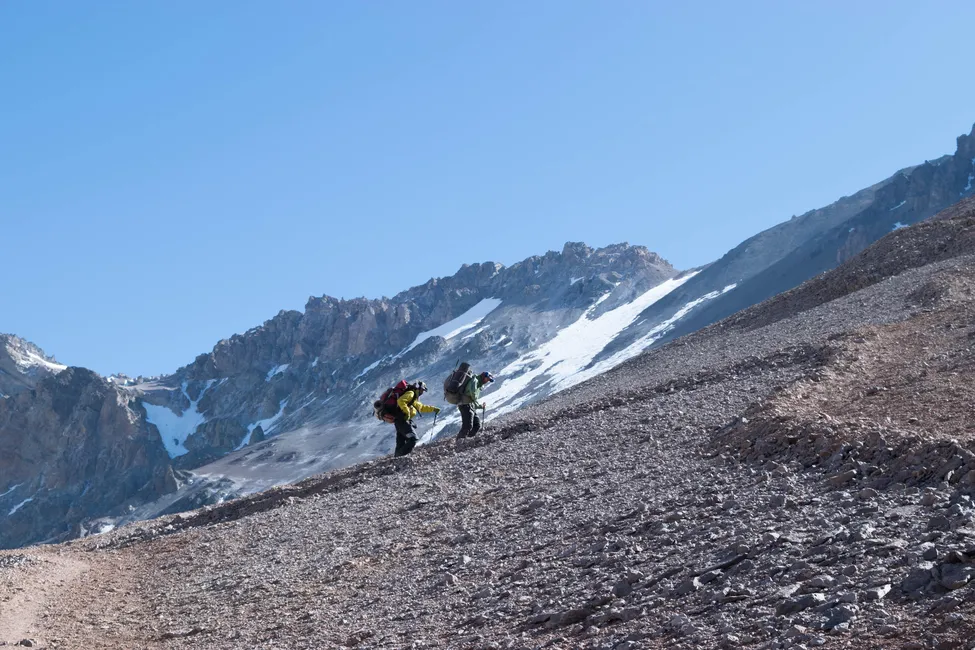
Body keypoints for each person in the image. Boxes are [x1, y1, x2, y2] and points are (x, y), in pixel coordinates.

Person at [392, 380, 440, 457]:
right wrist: (407, 412)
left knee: (400, 442)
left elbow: (422, 407)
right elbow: (401, 401)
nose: (422, 392)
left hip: (400, 420)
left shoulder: (414, 398)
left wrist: (433, 409)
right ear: (418, 388)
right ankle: (400, 457)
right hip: (402, 420)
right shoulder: (411, 393)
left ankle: (397, 458)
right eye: (422, 390)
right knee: (413, 439)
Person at [457, 371, 494, 440]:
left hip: (470, 406)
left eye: (489, 380)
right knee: (467, 426)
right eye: (487, 379)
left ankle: (467, 440)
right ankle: (459, 442)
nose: (487, 381)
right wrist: (478, 404)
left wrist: (480, 406)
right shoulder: (475, 381)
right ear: (483, 376)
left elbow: (472, 399)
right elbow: (473, 395)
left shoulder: (479, 384)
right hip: (465, 405)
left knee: (477, 425)